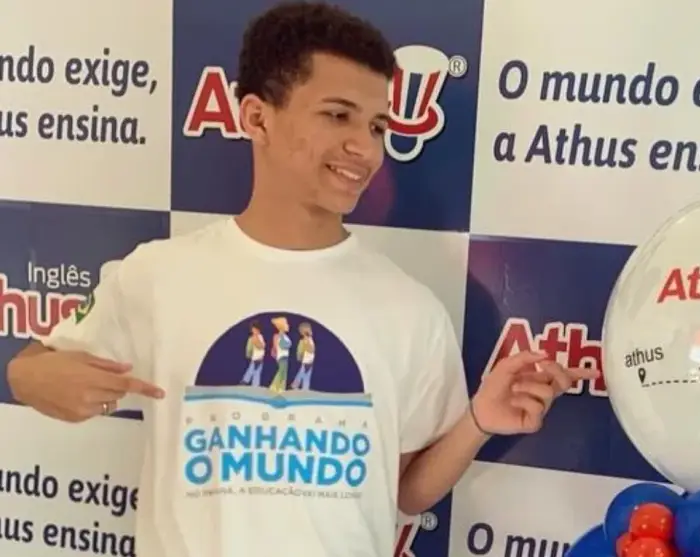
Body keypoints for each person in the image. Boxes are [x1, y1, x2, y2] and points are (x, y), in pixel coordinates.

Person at [5, 3, 598, 556]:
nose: (364, 147)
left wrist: (478, 422)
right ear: (256, 117)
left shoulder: (408, 307)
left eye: (377, 126)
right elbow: (30, 368)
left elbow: (407, 492)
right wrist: (35, 376)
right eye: (338, 115)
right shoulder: (157, 275)